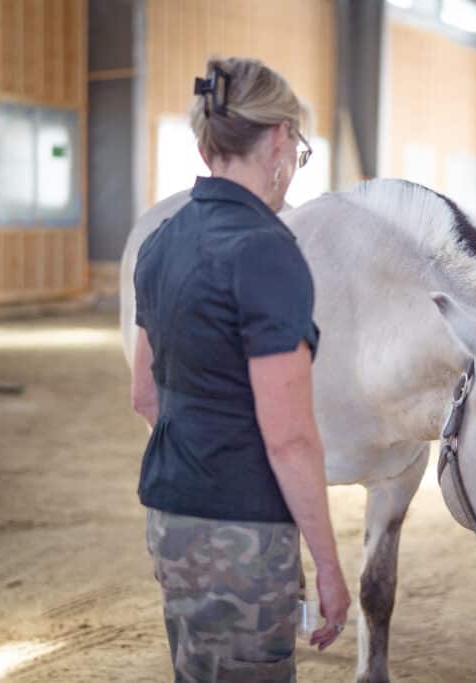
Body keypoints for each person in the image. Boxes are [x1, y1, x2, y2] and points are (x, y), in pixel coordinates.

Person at [130, 57, 350, 682]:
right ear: (280, 136)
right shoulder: (267, 251)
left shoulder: (161, 241)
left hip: (172, 521)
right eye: (298, 147)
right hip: (245, 534)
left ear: (207, 144)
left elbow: (144, 394)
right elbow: (288, 437)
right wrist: (329, 566)